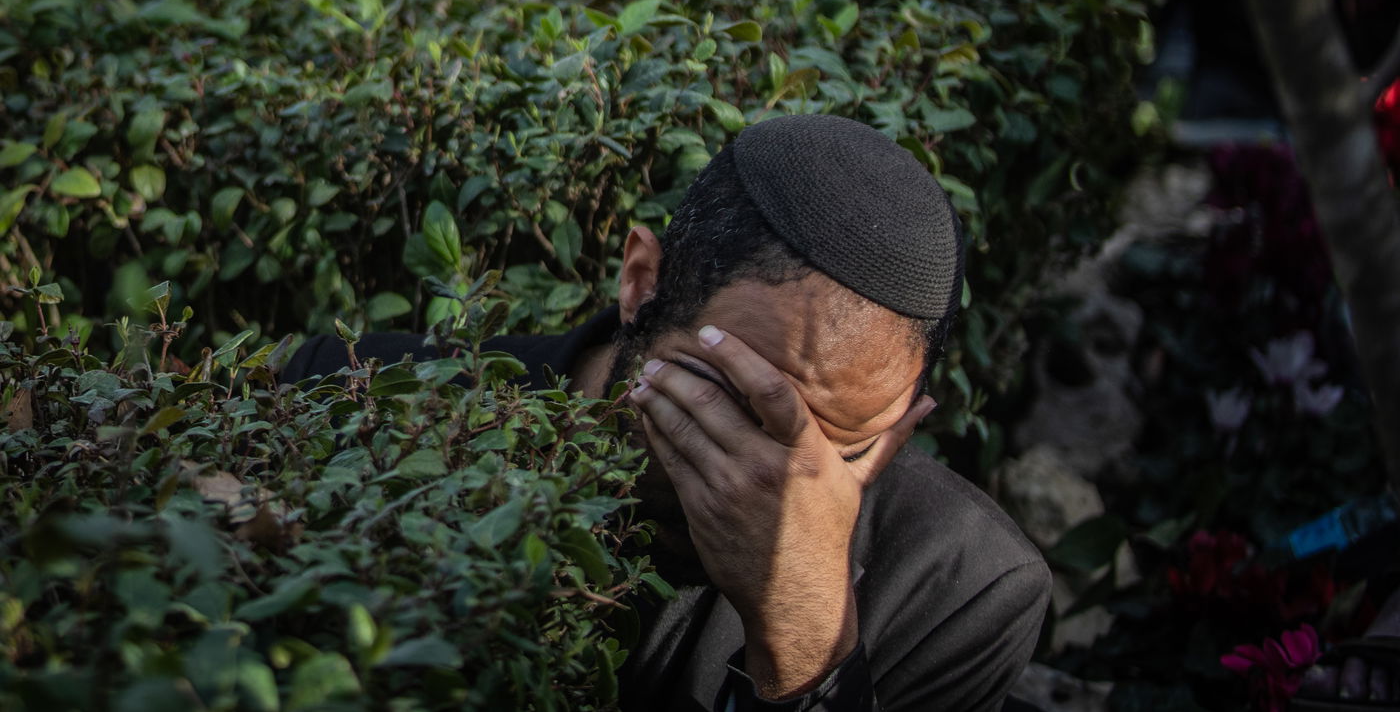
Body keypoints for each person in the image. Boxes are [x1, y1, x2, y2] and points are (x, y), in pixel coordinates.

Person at [283, 114, 1051, 711]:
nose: (769, 480)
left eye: (841, 448)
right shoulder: (354, 395)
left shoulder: (961, 589)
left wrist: (806, 640)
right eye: (738, 402)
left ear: (906, 416)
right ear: (642, 282)